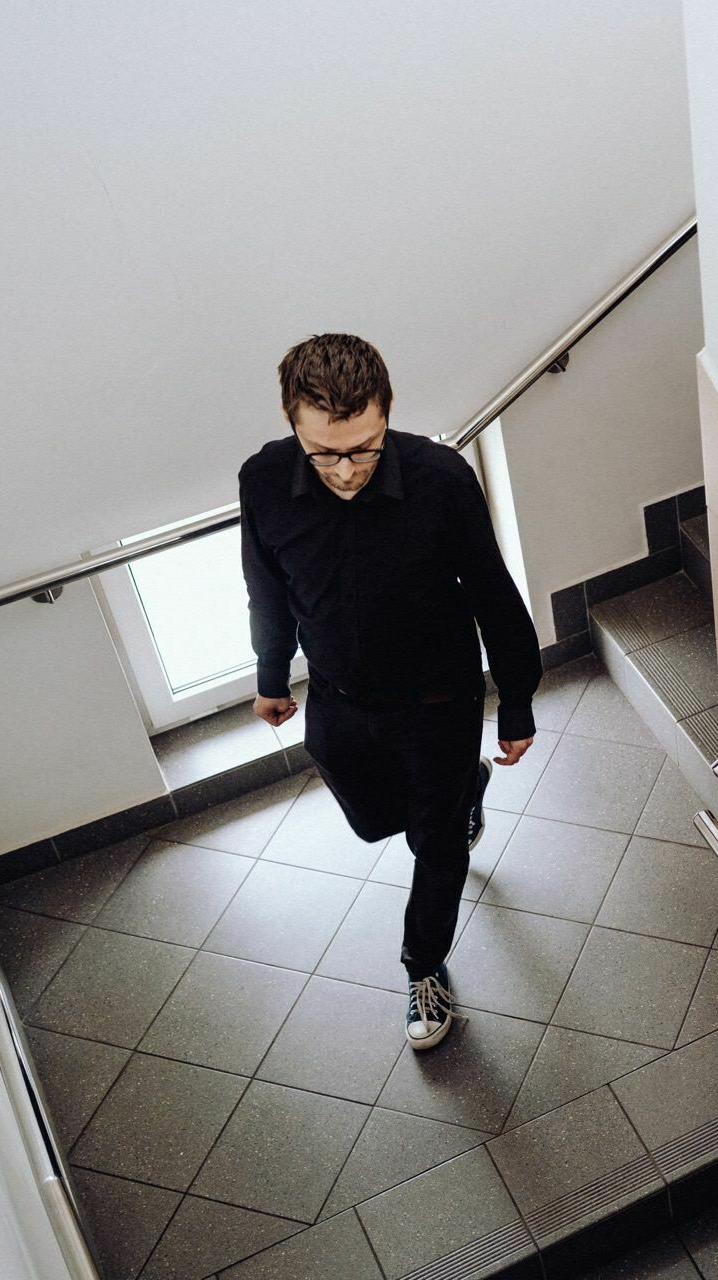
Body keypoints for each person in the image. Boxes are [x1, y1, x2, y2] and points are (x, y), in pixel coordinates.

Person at [238, 333, 541, 1051]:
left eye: (365, 447)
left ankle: (424, 966)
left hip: (438, 702)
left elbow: (494, 595)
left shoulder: (440, 478)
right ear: (292, 424)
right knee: (377, 823)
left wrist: (519, 700)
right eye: (327, 452)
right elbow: (265, 587)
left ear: (387, 413)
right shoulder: (262, 481)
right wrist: (270, 675)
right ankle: (464, 792)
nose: (347, 471)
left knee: (435, 847)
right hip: (339, 700)